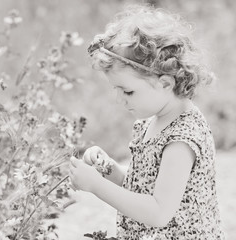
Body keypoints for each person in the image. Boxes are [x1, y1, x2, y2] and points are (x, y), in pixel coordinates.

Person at [69, 4, 225, 239]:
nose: (119, 99)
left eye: (127, 91)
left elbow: (158, 212)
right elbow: (143, 186)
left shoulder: (182, 139)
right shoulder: (152, 122)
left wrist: (96, 186)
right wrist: (109, 170)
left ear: (164, 83)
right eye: (116, 90)